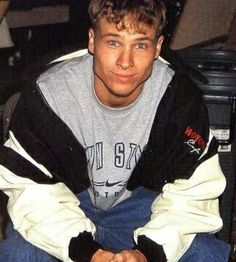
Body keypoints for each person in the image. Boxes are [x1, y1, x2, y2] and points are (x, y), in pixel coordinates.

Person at [0, 0, 231, 261]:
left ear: (157, 48)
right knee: (21, 253)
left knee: (206, 252)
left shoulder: (179, 101)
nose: (125, 61)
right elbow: (31, 190)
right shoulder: (48, 95)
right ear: (92, 41)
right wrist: (84, 250)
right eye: (113, 42)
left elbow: (194, 194)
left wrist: (150, 252)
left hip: (143, 209)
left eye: (140, 45)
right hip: (66, 202)